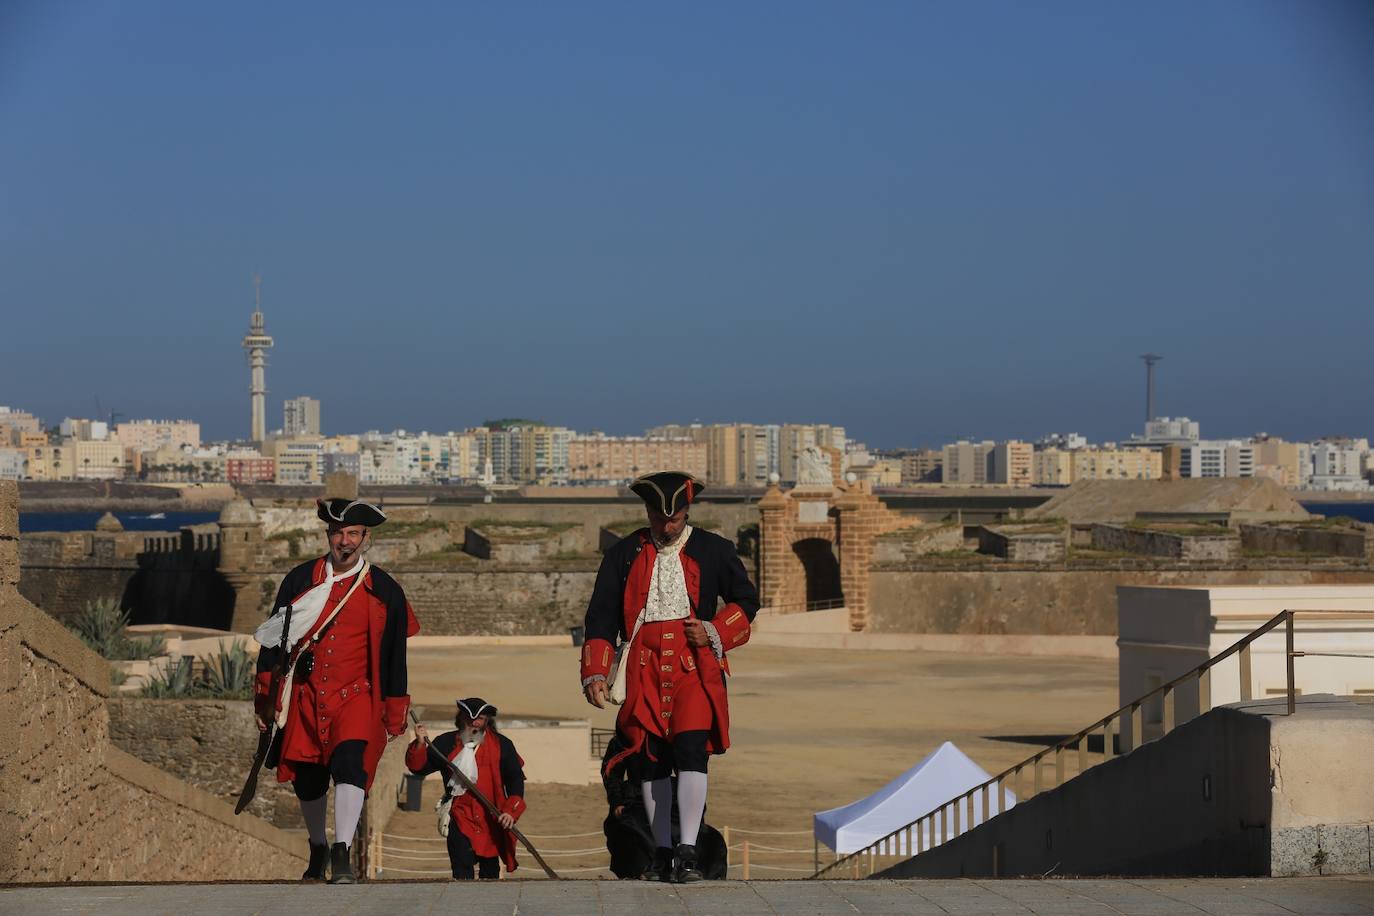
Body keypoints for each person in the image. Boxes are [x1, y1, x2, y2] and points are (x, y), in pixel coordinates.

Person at [580, 471, 760, 883]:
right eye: (660, 519)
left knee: (692, 748)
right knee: (649, 758)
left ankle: (689, 851)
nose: (667, 527)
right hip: (642, 664)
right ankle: (661, 852)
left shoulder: (715, 550)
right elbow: (602, 617)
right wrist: (595, 672)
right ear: (647, 512)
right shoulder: (623, 554)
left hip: (693, 663)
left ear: (686, 511)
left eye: (675, 519)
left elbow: (747, 600)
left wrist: (714, 630)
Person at [253, 497, 420, 884]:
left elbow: (396, 655)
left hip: (356, 696)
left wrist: (395, 711)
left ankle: (342, 850)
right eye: (338, 532)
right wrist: (266, 699)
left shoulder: (385, 590)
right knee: (308, 778)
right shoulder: (300, 579)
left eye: (353, 534)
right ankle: (318, 847)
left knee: (350, 765)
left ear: (366, 538)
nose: (344, 541)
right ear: (329, 534)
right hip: (306, 695)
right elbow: (273, 643)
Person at [406, 698, 527, 880]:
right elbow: (418, 768)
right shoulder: (446, 743)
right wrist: (420, 743)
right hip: (459, 817)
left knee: (490, 875)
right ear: (461, 720)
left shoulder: (502, 745)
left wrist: (510, 811)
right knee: (462, 873)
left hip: (491, 819)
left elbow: (514, 779)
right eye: (470, 721)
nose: (474, 725)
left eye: (479, 720)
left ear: (487, 721)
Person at [601, 730, 727, 880]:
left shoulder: (677, 735)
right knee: (635, 831)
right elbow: (612, 773)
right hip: (635, 800)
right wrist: (617, 802)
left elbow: (687, 771)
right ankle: (649, 869)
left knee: (708, 837)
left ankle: (690, 867)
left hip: (673, 800)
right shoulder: (624, 738)